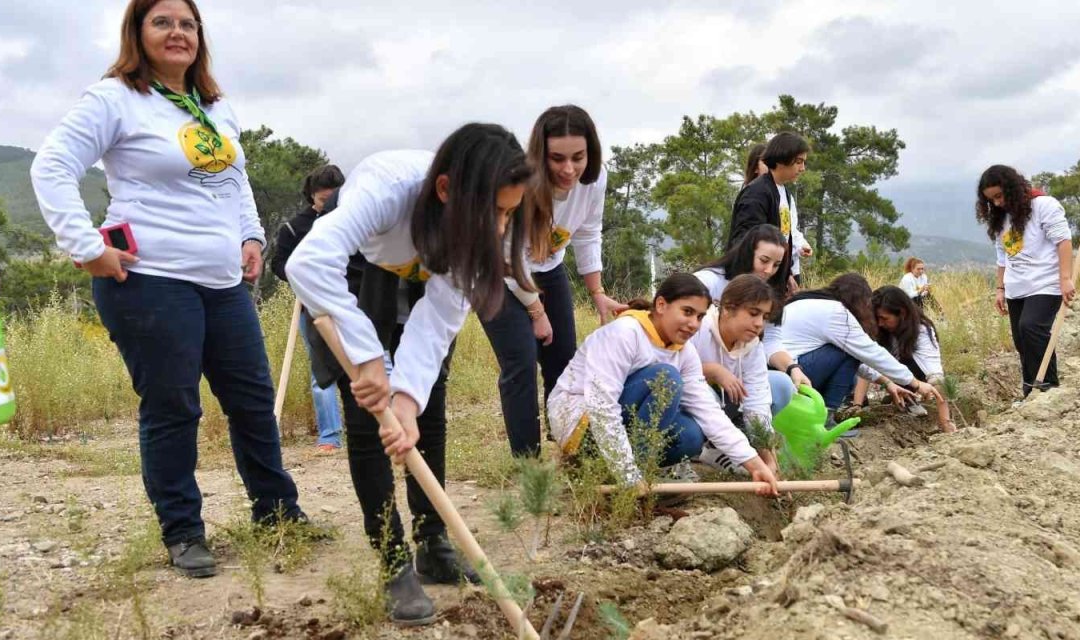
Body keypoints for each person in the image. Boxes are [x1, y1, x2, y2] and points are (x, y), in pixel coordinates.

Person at [31, 0, 309, 580]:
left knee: (253, 402)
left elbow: (234, 178)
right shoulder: (114, 98)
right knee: (174, 407)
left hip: (222, 283)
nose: (177, 32)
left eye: (187, 23)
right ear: (138, 32)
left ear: (199, 36)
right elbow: (52, 165)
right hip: (150, 282)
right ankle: (183, 532)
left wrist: (250, 236)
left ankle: (277, 512)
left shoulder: (214, 106)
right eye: (162, 21)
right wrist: (87, 247)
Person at [286, 124, 533, 626]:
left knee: (429, 404)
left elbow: (438, 321)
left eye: (511, 213)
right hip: (355, 271)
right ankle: (392, 556)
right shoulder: (386, 188)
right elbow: (307, 263)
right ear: (446, 191)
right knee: (365, 415)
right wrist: (369, 356)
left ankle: (433, 540)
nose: (502, 228)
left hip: (424, 272)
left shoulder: (474, 236)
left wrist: (407, 400)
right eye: (496, 212)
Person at [547, 273, 780, 494]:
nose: (694, 324)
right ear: (661, 305)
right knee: (666, 378)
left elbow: (709, 412)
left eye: (699, 316)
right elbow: (602, 406)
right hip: (580, 422)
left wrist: (754, 464)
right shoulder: (624, 333)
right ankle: (625, 473)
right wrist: (628, 476)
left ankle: (627, 470)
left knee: (691, 435)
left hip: (618, 429)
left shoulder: (685, 351)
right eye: (687, 312)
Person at [480, 105, 625, 457]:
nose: (568, 169)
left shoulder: (594, 179)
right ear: (539, 155)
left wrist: (597, 292)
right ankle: (527, 460)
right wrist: (536, 310)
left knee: (563, 360)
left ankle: (567, 447)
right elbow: (504, 257)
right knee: (521, 360)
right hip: (498, 273)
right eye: (557, 158)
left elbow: (588, 233)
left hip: (549, 270)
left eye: (578, 157)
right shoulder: (517, 182)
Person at [270, 164, 352, 453]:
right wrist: (302, 275)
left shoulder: (353, 220)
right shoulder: (295, 228)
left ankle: (374, 430)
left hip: (353, 304)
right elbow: (278, 264)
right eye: (323, 200)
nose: (329, 205)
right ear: (312, 197)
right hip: (313, 307)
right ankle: (330, 436)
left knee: (368, 364)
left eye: (334, 199)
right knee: (322, 372)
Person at [976, 165, 1075, 397]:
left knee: (1031, 328)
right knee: (1022, 341)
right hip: (1016, 287)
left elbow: (1063, 241)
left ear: (1012, 188)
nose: (997, 203)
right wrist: (1000, 288)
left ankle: (1048, 388)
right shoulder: (1001, 218)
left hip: (1046, 282)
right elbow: (1002, 256)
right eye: (991, 200)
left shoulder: (1044, 205)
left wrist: (1065, 279)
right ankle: (1030, 391)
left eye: (999, 196)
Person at [777, 274, 942, 412]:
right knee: (848, 354)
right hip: (791, 374)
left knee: (847, 357)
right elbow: (869, 354)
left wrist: (887, 382)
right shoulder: (838, 313)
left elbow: (860, 362)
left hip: (778, 372)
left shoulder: (812, 303)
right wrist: (915, 383)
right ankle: (827, 415)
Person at [688, 275, 791, 474]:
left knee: (780, 385)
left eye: (764, 317)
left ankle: (734, 443)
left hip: (727, 405)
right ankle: (703, 447)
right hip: (691, 404)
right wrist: (713, 370)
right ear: (727, 308)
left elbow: (758, 401)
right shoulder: (698, 327)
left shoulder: (752, 346)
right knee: (703, 391)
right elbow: (674, 368)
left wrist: (767, 455)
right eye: (753, 313)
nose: (759, 323)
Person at [691, 224, 798, 412]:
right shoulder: (708, 281)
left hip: (740, 371)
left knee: (782, 385)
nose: (768, 270)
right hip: (695, 372)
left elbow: (771, 343)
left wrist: (791, 367)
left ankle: (747, 428)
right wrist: (712, 370)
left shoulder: (770, 294)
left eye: (777, 265)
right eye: (764, 260)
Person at [850, 286, 955, 432]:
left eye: (884, 318)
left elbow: (936, 377)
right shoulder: (879, 330)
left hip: (914, 378)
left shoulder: (922, 331)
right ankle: (897, 397)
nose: (880, 323)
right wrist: (857, 405)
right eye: (877, 318)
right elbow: (868, 361)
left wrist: (945, 422)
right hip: (888, 377)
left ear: (902, 313)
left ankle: (907, 398)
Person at [727, 134, 813, 287]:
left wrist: (786, 274)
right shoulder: (757, 193)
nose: (802, 168)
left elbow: (784, 236)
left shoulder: (784, 192)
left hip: (774, 280)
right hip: (754, 284)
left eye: (804, 162)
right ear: (781, 159)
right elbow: (745, 241)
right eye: (798, 162)